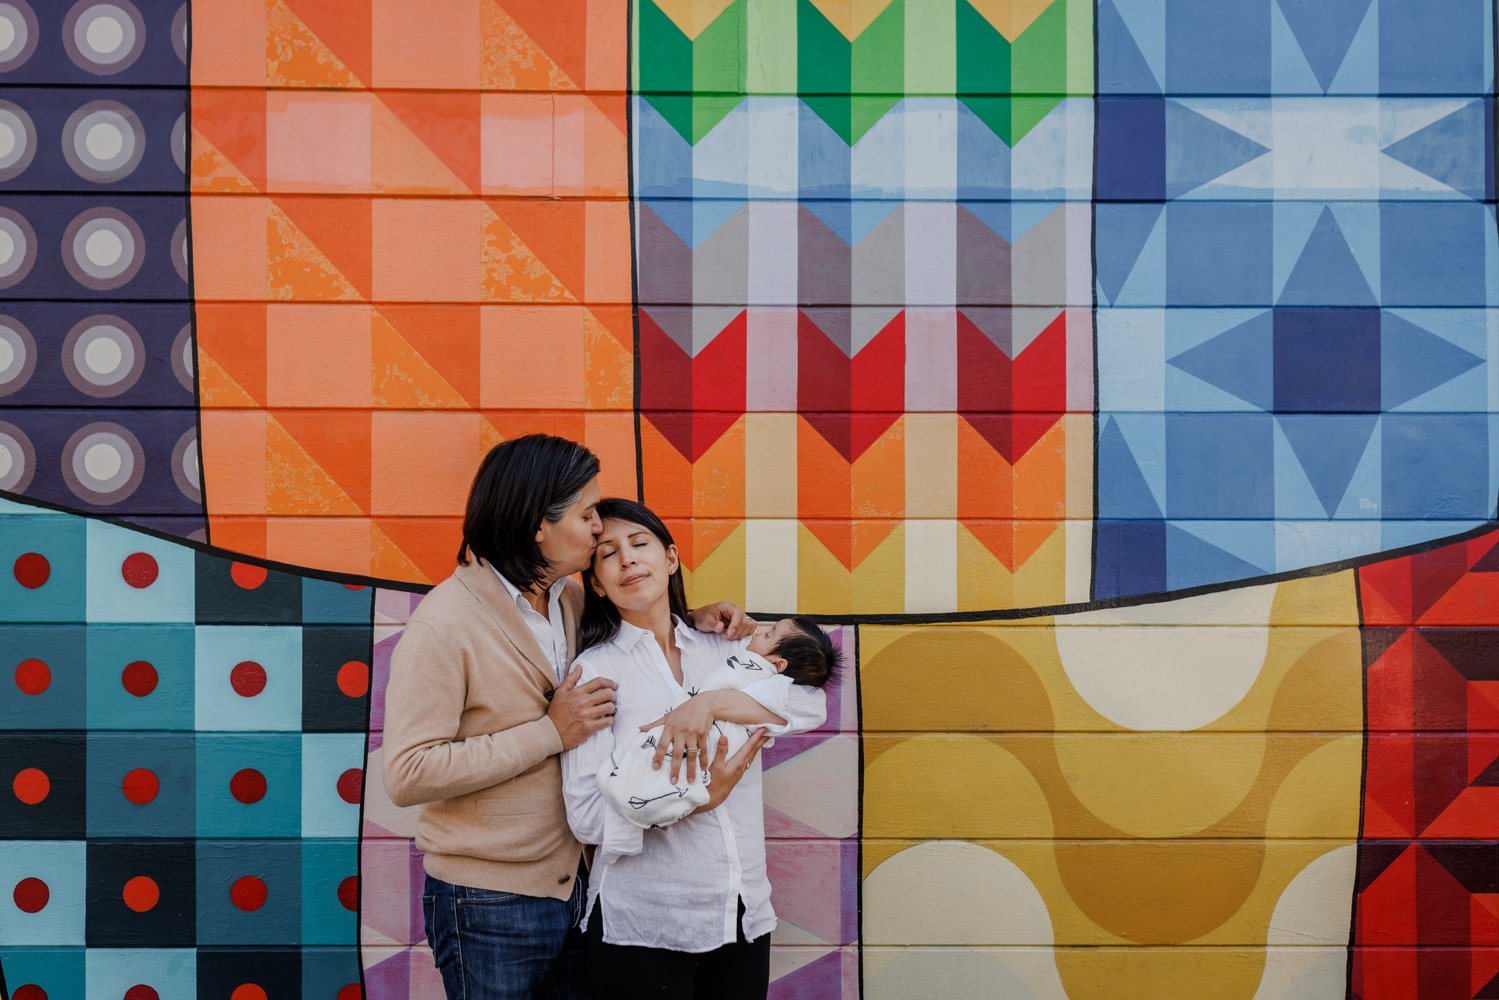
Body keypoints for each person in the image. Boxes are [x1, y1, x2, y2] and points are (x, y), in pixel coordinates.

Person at [382, 436, 753, 1000]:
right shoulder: (445, 624)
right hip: (488, 901)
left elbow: (635, 627)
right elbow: (408, 772)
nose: (599, 528)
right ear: (538, 527)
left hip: (580, 892)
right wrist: (550, 732)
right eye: (586, 516)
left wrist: (686, 617)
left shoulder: (569, 602)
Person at [561, 499, 830, 1000]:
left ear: (670, 558)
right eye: (607, 554)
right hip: (641, 923)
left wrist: (707, 704)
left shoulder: (728, 649)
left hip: (741, 909)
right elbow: (586, 816)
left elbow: (810, 704)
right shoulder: (596, 672)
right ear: (596, 583)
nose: (627, 560)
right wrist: (691, 803)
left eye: (640, 544)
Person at [596, 616, 839, 831]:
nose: (757, 632)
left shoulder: (771, 683)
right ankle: (642, 789)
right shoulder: (739, 653)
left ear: (779, 665)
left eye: (767, 634)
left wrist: (709, 703)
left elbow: (814, 707)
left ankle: (648, 794)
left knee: (680, 762)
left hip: (715, 743)